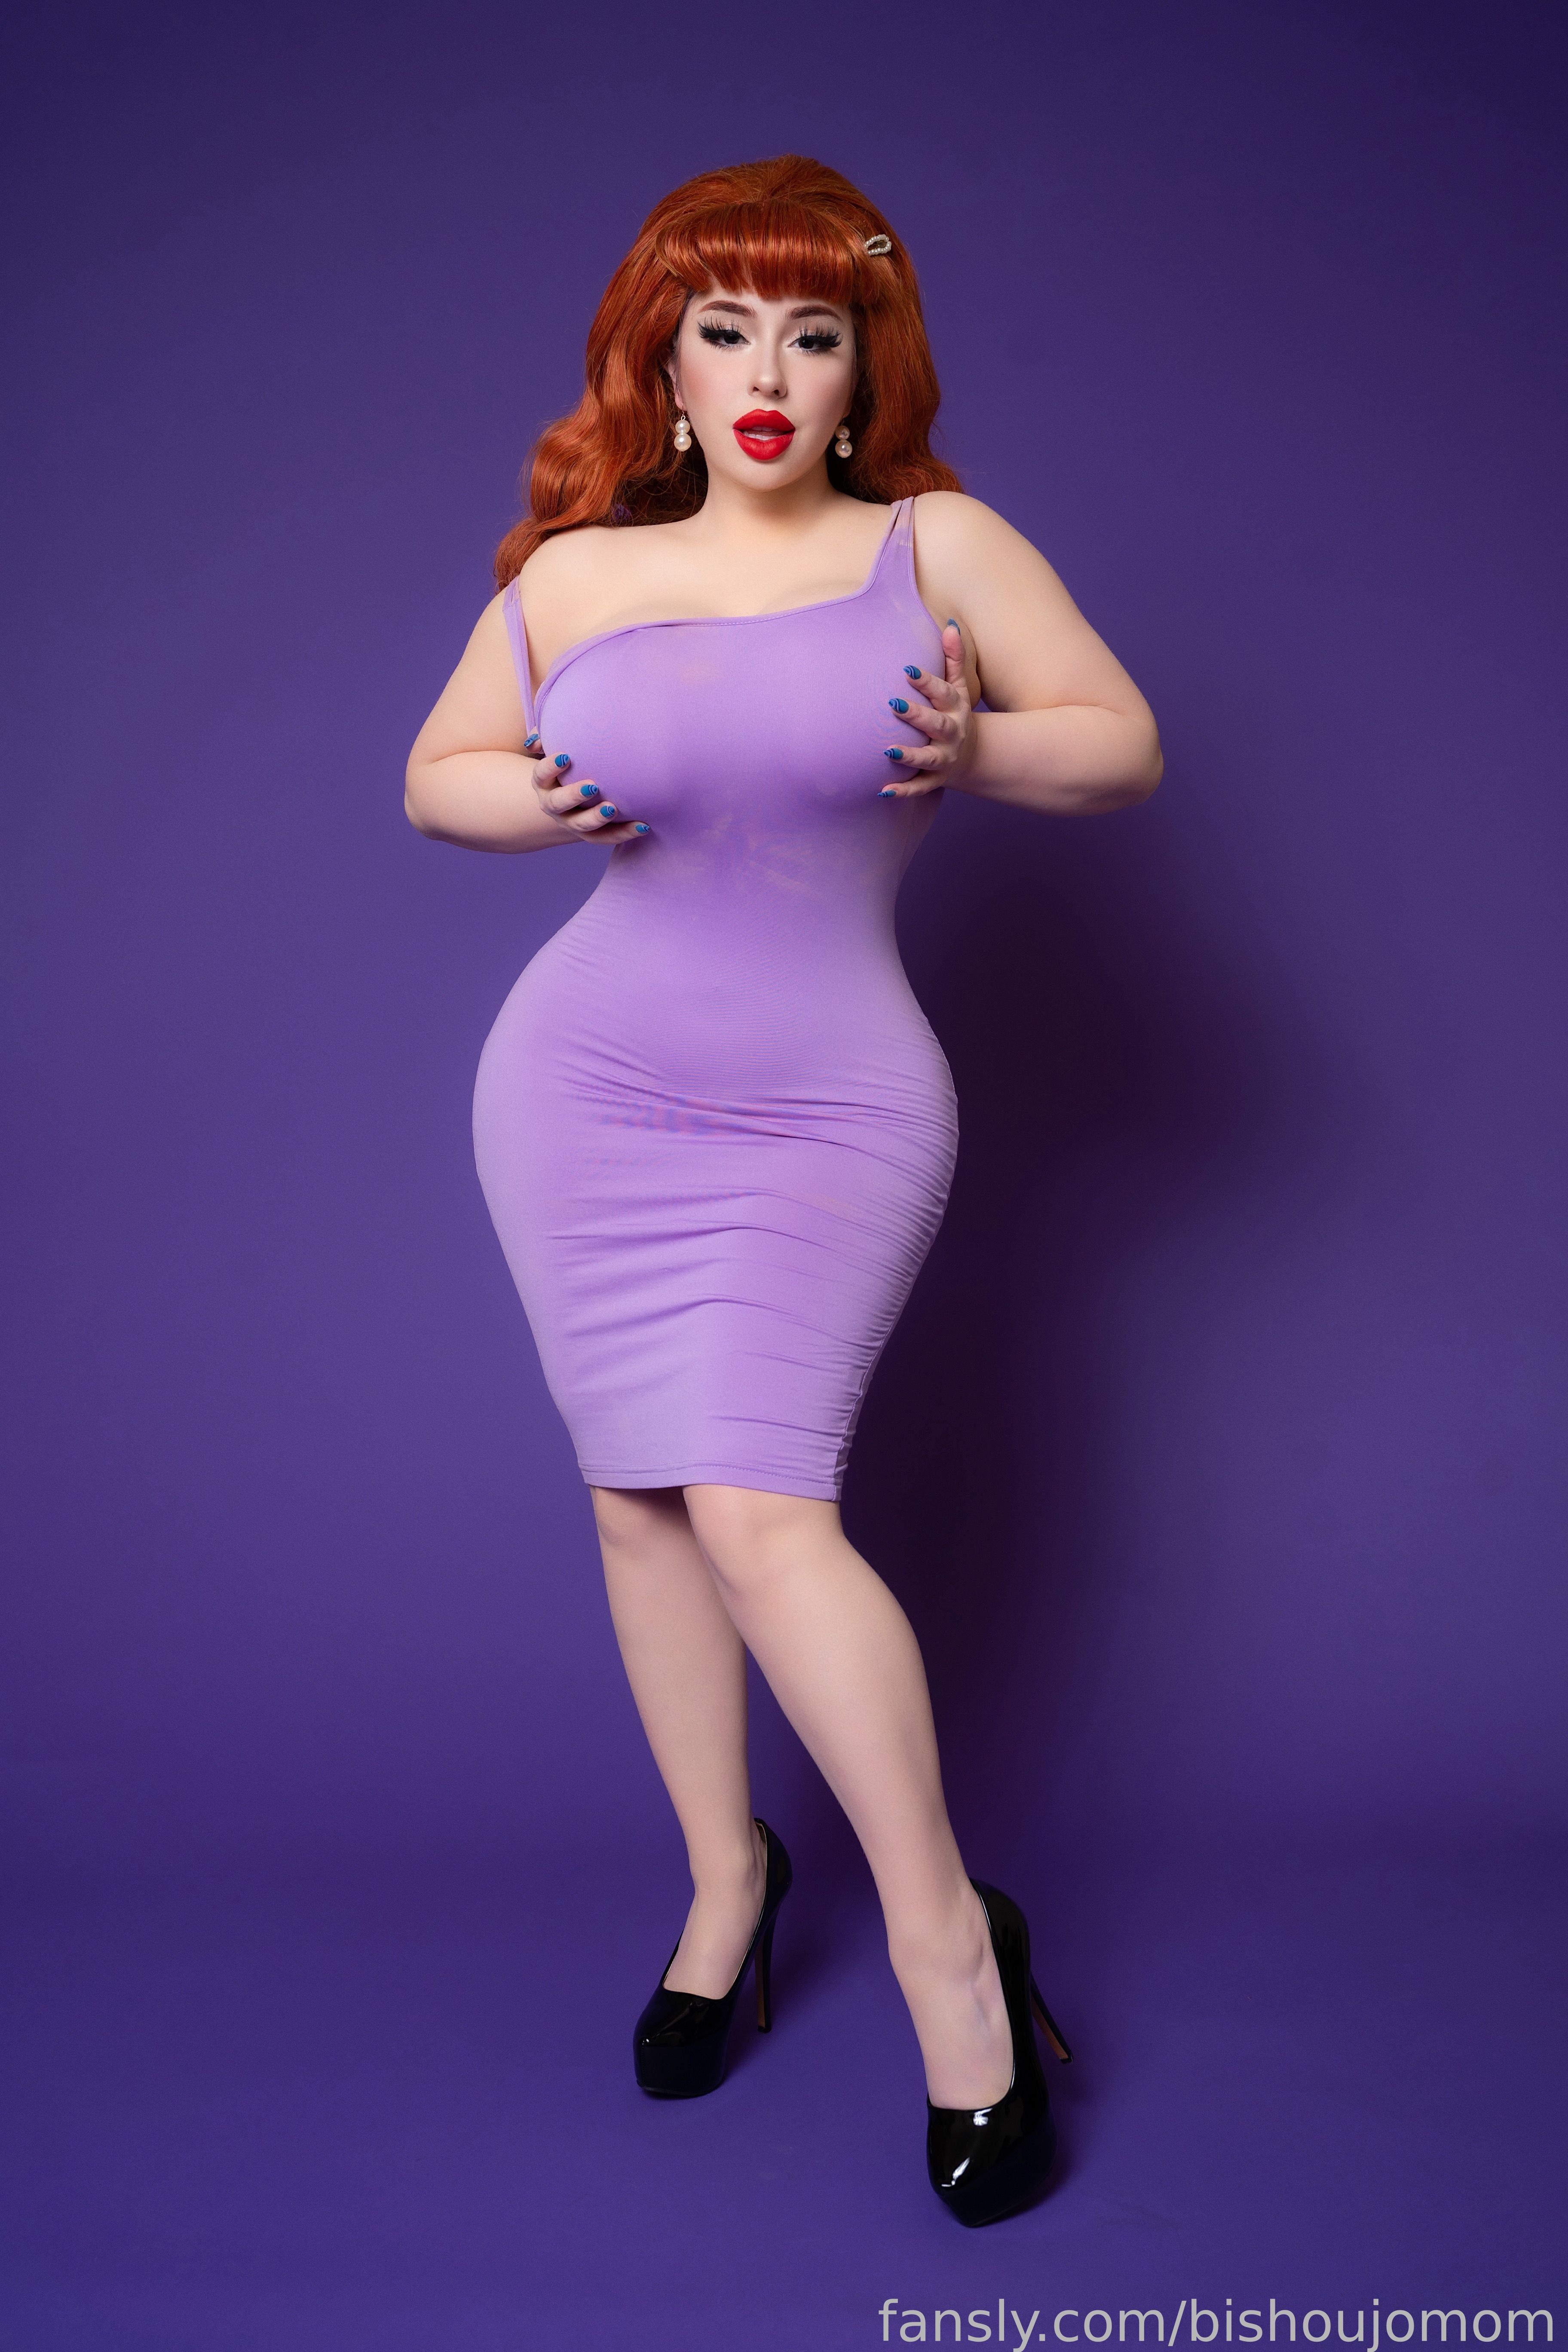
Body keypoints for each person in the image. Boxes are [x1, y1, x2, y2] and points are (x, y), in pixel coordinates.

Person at [404, 155, 1160, 2225]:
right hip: (583, 1093)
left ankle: (950, 1953)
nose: (764, 374)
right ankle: (726, 1886)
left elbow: (1122, 743)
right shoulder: (582, 573)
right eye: (721, 332)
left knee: (759, 1507)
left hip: (830, 1099)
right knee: (639, 1503)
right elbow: (436, 774)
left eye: (810, 336)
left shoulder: (936, 550)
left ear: (860, 370)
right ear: (659, 370)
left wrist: (977, 753)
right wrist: (538, 795)